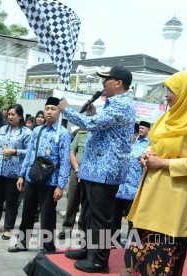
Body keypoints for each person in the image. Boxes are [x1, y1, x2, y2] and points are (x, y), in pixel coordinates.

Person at [122, 71, 187, 275]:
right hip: (150, 196)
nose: (166, 95)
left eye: (172, 90)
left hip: (172, 206)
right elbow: (157, 146)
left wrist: (163, 163)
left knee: (158, 261)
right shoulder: (168, 117)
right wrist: (147, 155)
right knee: (133, 257)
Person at [58, 65, 135, 273]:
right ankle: (86, 250)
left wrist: (66, 109)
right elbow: (98, 126)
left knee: (100, 218)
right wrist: (92, 114)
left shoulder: (123, 105)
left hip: (106, 171)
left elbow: (91, 126)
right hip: (94, 169)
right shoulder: (111, 105)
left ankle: (100, 260)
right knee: (88, 215)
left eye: (106, 79)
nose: (103, 83)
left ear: (118, 83)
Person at [8, 97, 71, 253]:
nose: (49, 111)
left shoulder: (62, 134)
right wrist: (22, 175)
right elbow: (29, 155)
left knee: (47, 217)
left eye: (53, 108)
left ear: (59, 111)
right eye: (47, 108)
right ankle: (22, 244)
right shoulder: (37, 130)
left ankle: (48, 248)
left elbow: (65, 161)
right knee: (27, 213)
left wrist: (60, 186)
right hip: (32, 178)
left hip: (50, 182)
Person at [0, 105, 31, 238]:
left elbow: (30, 152)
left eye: (13, 114)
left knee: (11, 201)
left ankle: (8, 228)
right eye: (9, 114)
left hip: (14, 173)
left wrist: (14, 151)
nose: (10, 117)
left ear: (20, 116)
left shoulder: (26, 133)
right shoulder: (2, 129)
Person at [111, 122, 148, 244]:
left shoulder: (144, 148)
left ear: (136, 134)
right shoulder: (119, 146)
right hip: (117, 189)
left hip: (133, 191)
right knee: (114, 219)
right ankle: (113, 243)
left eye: (129, 133)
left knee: (133, 221)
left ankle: (132, 245)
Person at [58, 129, 88, 240]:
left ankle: (83, 233)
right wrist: (76, 168)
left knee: (86, 205)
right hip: (76, 172)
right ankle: (66, 229)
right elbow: (72, 151)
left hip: (90, 175)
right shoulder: (81, 134)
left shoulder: (99, 134)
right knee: (72, 201)